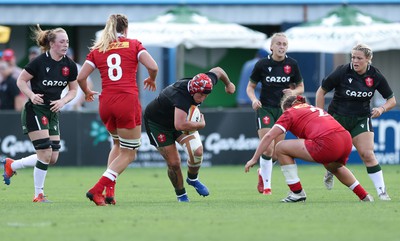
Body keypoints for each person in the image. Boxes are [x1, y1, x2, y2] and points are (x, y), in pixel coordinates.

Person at [77, 14, 158, 206]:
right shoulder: (134, 44)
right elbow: (153, 66)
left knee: (117, 144)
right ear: (126, 29)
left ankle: (109, 192)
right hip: (126, 101)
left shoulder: (99, 49)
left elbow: (81, 77)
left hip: (106, 102)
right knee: (130, 153)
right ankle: (97, 189)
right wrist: (152, 79)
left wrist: (87, 91)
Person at [245, 95, 374, 202]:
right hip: (346, 139)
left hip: (328, 142)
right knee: (334, 166)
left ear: (287, 108)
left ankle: (297, 193)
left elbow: (268, 136)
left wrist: (254, 159)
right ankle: (364, 196)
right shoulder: (312, 108)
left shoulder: (290, 112)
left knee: (280, 147)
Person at [1, 25, 78, 203]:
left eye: (67, 41)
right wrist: (31, 95)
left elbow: (73, 90)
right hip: (35, 109)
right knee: (45, 152)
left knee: (52, 158)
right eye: (61, 42)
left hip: (53, 111)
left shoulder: (69, 65)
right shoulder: (39, 61)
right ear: (52, 44)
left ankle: (12, 164)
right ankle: (38, 195)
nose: (65, 45)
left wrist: (63, 101)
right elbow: (21, 80)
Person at [315, 43, 396, 201]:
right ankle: (330, 171)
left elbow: (391, 100)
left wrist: (381, 109)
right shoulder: (342, 71)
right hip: (337, 118)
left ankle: (382, 192)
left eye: (359, 58)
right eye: (353, 57)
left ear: (368, 59)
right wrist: (320, 114)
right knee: (333, 160)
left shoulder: (375, 76)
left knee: (368, 154)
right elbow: (321, 91)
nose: (355, 61)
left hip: (361, 118)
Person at [144, 66, 235, 202]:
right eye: (201, 95)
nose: (203, 99)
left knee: (197, 151)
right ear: (193, 91)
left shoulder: (204, 82)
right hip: (158, 124)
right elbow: (179, 125)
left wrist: (228, 84)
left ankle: (192, 179)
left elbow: (219, 70)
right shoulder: (180, 97)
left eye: (206, 95)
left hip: (178, 119)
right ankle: (181, 195)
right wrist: (200, 125)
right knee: (174, 163)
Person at [246, 32, 304, 195]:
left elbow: (301, 87)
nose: (281, 46)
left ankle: (262, 173)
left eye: (284, 44)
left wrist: (293, 93)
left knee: (277, 152)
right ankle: (267, 187)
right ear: (271, 47)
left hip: (283, 110)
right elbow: (250, 87)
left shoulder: (292, 64)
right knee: (268, 148)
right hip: (265, 108)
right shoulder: (262, 64)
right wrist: (253, 99)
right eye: (278, 43)